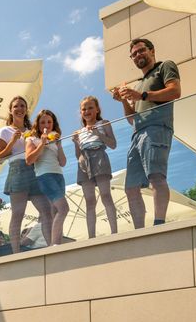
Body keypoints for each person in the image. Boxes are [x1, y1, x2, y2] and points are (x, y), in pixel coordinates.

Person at [112, 38, 181, 228]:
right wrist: (125, 100)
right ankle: (139, 231)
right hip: (137, 133)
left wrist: (141, 95)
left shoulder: (164, 66)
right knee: (131, 187)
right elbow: (131, 118)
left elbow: (175, 91)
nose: (137, 55)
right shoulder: (139, 84)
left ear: (152, 50)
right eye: (133, 54)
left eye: (141, 51)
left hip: (157, 128)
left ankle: (159, 224)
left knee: (156, 177)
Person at [0, 96, 52, 254]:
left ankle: (52, 247)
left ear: (26, 110)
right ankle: (16, 253)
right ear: (10, 110)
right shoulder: (5, 130)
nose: (19, 109)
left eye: (22, 106)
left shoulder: (31, 131)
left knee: (47, 210)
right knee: (18, 213)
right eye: (16, 106)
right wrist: (12, 141)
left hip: (34, 169)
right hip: (17, 170)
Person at [71, 96, 118, 238]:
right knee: (89, 200)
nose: (87, 111)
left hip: (99, 156)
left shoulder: (104, 123)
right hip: (84, 161)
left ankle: (114, 232)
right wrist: (76, 143)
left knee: (105, 195)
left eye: (90, 107)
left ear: (97, 109)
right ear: (80, 113)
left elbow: (113, 144)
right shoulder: (79, 132)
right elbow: (77, 155)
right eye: (84, 109)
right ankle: (91, 236)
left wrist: (98, 134)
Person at [26, 110, 68, 246]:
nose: (46, 124)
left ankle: (56, 245)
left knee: (55, 211)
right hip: (45, 176)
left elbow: (62, 162)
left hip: (58, 176)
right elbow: (29, 160)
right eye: (43, 122)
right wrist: (42, 144)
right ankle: (55, 246)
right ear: (37, 124)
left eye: (49, 122)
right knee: (64, 208)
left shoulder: (55, 141)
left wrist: (59, 145)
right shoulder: (32, 139)